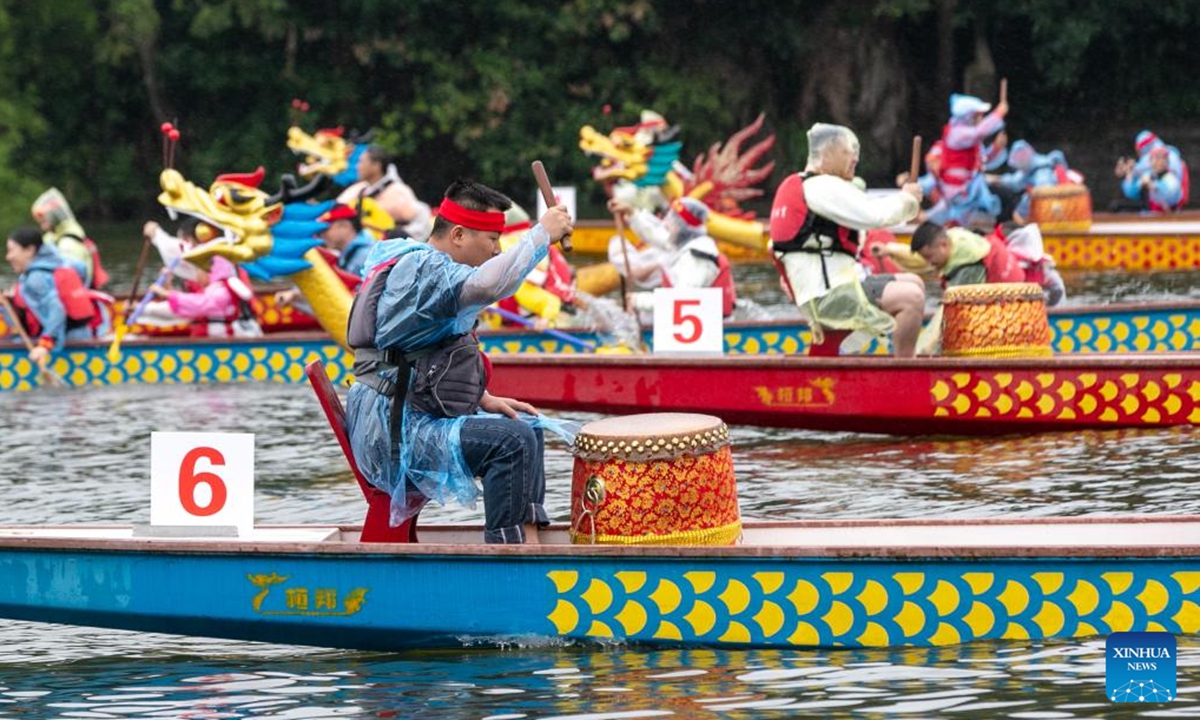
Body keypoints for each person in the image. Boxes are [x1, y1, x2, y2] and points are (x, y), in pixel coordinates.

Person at [345, 178, 574, 545]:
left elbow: (424, 351)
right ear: (458, 235)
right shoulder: (423, 269)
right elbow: (488, 286)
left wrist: (484, 399)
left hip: (406, 412)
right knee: (510, 441)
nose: (498, 251)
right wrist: (540, 235)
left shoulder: (429, 267)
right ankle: (507, 554)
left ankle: (530, 540)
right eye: (493, 240)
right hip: (391, 434)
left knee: (526, 426)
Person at [769, 123, 925, 357]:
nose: (855, 158)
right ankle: (906, 372)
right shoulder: (820, 185)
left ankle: (832, 355)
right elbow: (873, 215)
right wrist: (908, 200)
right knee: (911, 297)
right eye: (848, 152)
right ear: (826, 154)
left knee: (916, 282)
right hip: (827, 296)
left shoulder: (804, 185)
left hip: (828, 289)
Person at [607, 196, 736, 324]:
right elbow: (655, 234)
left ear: (681, 227)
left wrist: (639, 301)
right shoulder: (685, 244)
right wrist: (632, 213)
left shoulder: (696, 257)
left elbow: (683, 299)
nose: (666, 224)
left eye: (671, 220)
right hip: (696, 324)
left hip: (712, 329)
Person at [4, 226, 110, 366]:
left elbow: (56, 308)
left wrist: (44, 345)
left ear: (30, 250)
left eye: (12, 250)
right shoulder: (59, 262)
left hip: (66, 340)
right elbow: (82, 271)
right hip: (84, 334)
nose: (8, 257)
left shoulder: (36, 277)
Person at [140, 219, 263, 338]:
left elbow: (197, 304)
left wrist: (161, 298)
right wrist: (166, 285)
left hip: (227, 336)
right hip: (203, 334)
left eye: (184, 241)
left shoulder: (225, 280)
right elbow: (184, 307)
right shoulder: (201, 274)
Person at [492, 204, 581, 330]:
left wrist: (546, 320)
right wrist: (488, 312)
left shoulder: (521, 279)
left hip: (556, 317)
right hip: (553, 308)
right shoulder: (533, 246)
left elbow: (551, 302)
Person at [931, 94, 1008, 227]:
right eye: (978, 115)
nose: (981, 118)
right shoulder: (957, 133)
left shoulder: (972, 141)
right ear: (969, 116)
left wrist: (996, 147)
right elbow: (979, 132)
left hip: (969, 187)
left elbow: (984, 160)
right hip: (956, 188)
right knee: (959, 219)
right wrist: (998, 114)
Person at [337, 145, 432, 240]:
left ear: (376, 165)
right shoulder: (360, 189)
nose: (357, 167)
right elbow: (337, 208)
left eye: (361, 162)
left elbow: (421, 220)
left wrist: (399, 239)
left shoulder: (398, 192)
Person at [907, 221, 1024, 289]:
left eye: (929, 257)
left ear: (943, 245)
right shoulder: (953, 236)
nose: (929, 263)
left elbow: (963, 305)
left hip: (1010, 297)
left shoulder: (967, 265)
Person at [30, 188, 109, 289]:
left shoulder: (69, 243)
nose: (42, 227)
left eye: (43, 221)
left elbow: (70, 279)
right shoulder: (53, 236)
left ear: (53, 216)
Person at [989, 140, 1080, 222]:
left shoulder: (1041, 171)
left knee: (1020, 211)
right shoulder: (1033, 168)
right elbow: (1015, 181)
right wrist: (995, 179)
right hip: (1052, 202)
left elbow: (1044, 191)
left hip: (1053, 205)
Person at [1119, 146, 1185, 213]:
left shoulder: (1172, 178)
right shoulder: (1147, 175)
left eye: (1163, 159)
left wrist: (1153, 186)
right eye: (1156, 158)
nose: (1160, 162)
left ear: (1167, 162)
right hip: (1147, 217)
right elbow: (1131, 193)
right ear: (1150, 161)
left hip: (1167, 218)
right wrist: (1129, 176)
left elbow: (1169, 195)